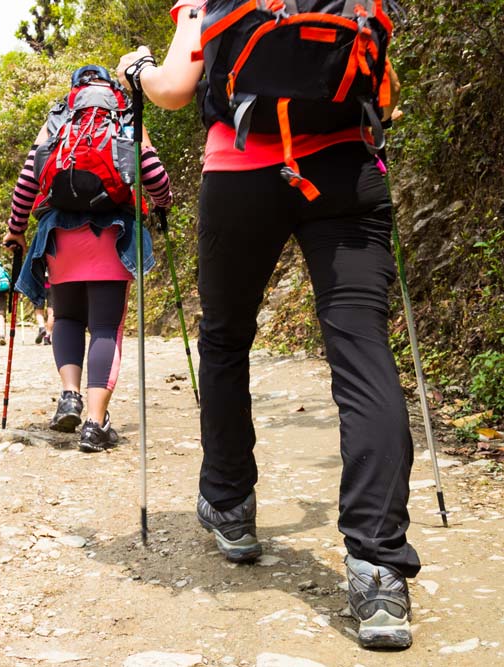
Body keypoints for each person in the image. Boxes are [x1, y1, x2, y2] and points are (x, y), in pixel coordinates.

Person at [117, 0, 417, 650]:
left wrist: (137, 70)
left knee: (225, 338)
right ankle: (380, 570)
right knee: (363, 349)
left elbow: (174, 88)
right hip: (348, 172)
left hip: (242, 171)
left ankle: (230, 503)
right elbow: (384, 94)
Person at [6, 64, 172, 453]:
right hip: (111, 235)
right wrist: (163, 203)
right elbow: (153, 173)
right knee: (104, 328)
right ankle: (95, 424)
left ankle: (69, 394)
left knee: (64, 318)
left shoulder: (58, 118)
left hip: (59, 237)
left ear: (74, 91)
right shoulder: (127, 116)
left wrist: (15, 229)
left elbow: (28, 180)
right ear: (113, 90)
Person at [33, 270, 54, 345]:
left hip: (40, 280)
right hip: (52, 280)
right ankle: (47, 336)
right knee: (51, 311)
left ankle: (41, 327)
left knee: (38, 308)